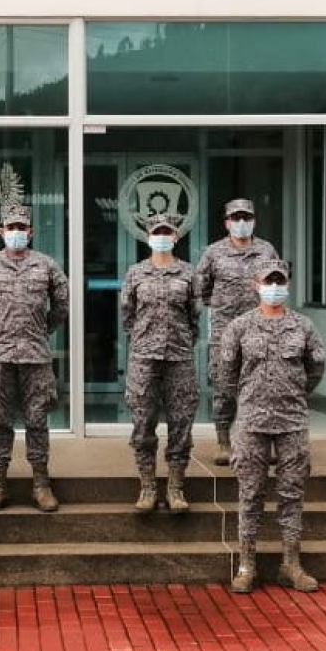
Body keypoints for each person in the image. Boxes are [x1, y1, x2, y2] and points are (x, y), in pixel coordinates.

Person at [222, 259, 326, 594]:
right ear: (256, 284)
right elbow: (227, 374)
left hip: (292, 421)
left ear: (288, 285)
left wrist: (292, 393)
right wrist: (252, 398)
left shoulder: (304, 327)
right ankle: (247, 564)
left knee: (292, 494)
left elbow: (315, 369)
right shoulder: (239, 327)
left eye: (280, 281)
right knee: (250, 494)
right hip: (252, 421)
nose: (275, 287)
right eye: (269, 281)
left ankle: (291, 564)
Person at [0, 203, 69, 513]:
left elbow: (61, 308)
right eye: (10, 228)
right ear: (1, 232)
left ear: (31, 232)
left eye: (21, 228)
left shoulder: (47, 266)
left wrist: (37, 331)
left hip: (36, 356)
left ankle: (41, 484)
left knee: (37, 422)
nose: (16, 233)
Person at [120, 214, 200, 513]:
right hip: (143, 358)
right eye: (157, 232)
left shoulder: (189, 274)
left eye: (168, 232)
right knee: (143, 422)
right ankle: (148, 486)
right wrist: (145, 339)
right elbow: (127, 316)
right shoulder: (135, 273)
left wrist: (179, 341)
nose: (162, 237)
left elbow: (194, 317)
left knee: (181, 422)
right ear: (149, 237)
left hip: (179, 357)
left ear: (176, 237)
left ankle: (176, 486)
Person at [195, 198, 278, 465]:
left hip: (263, 330)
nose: (241, 223)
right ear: (227, 222)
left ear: (254, 221)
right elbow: (201, 289)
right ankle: (223, 441)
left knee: (265, 386)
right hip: (225, 332)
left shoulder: (267, 251)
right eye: (236, 218)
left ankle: (265, 441)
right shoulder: (213, 253)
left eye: (246, 217)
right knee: (224, 387)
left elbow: (277, 283)